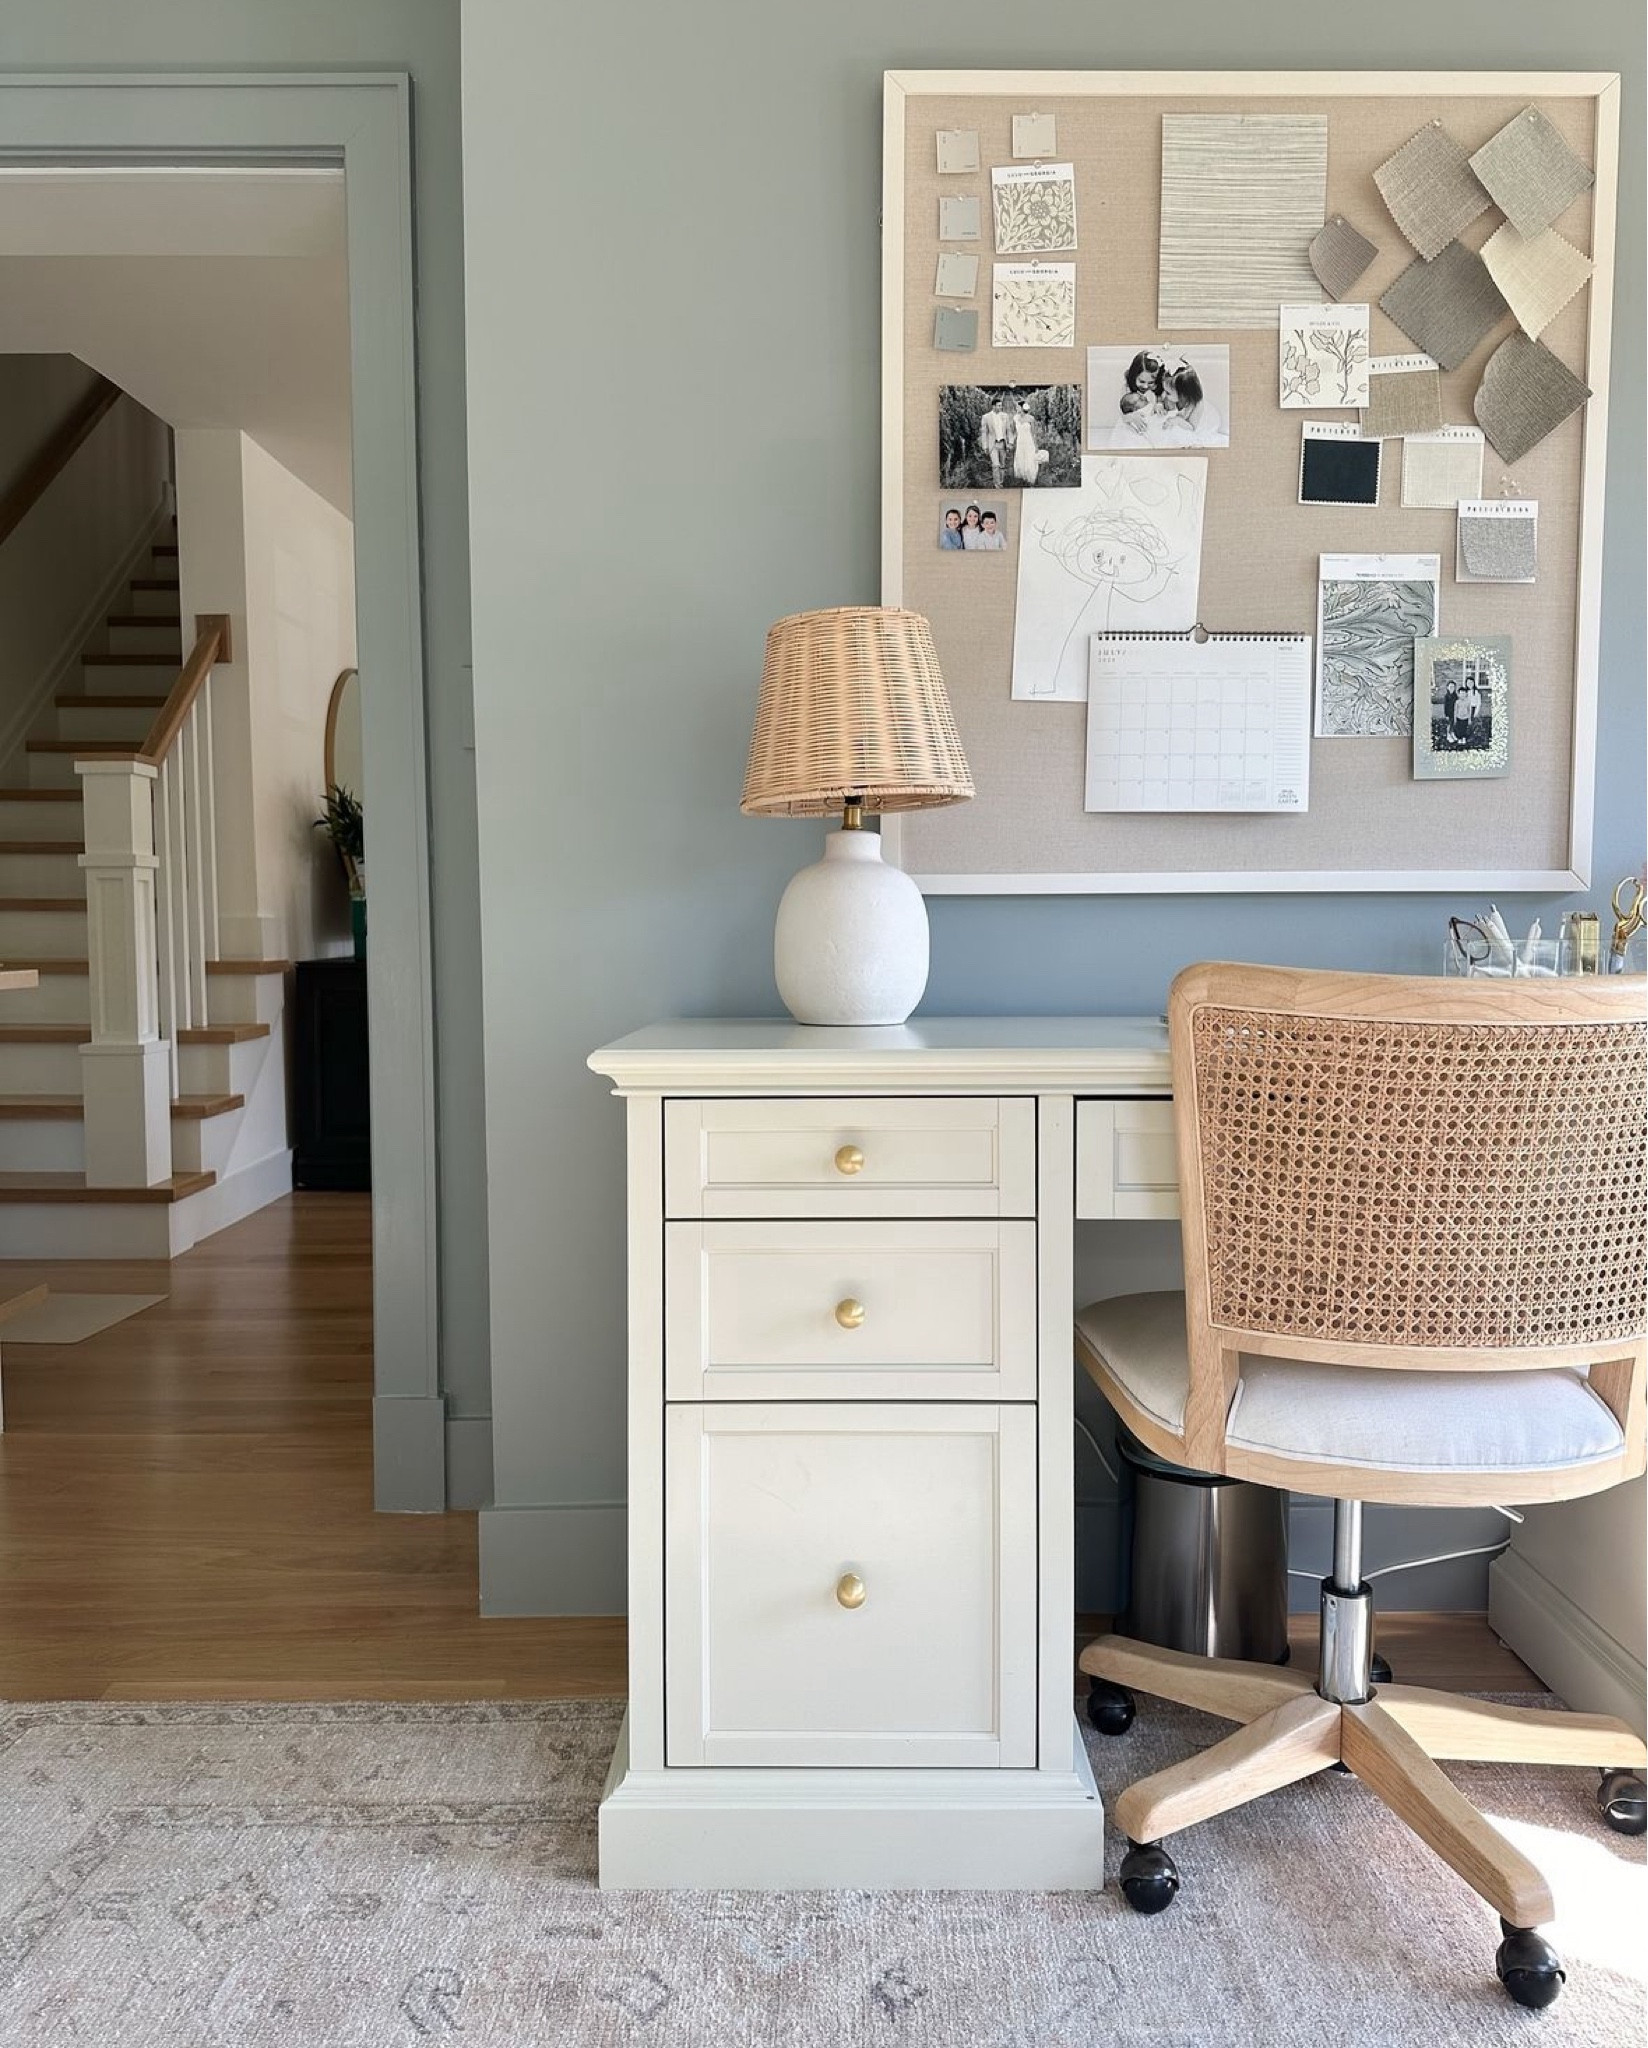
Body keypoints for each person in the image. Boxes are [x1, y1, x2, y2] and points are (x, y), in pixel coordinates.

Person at [978, 398, 1013, 489]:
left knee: (1002, 465)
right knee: (996, 465)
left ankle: (1000, 483)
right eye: (999, 405)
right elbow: (984, 432)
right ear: (993, 406)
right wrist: (985, 446)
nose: (1001, 407)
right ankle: (997, 486)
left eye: (1001, 405)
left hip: (1003, 443)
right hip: (993, 444)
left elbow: (1009, 430)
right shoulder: (986, 417)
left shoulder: (1005, 416)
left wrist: (1010, 442)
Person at [1010, 401, 1045, 485]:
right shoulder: (1015, 418)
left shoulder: (1030, 418)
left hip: (1029, 442)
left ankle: (1031, 478)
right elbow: (1014, 432)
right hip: (1020, 442)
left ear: (1022, 408)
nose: (1016, 408)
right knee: (1020, 458)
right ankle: (1022, 477)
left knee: (1030, 458)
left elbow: (1033, 433)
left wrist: (1036, 446)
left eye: (1018, 407)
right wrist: (1011, 442)